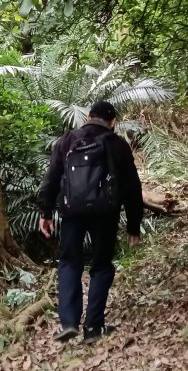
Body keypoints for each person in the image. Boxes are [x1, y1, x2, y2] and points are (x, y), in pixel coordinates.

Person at [37, 100, 144, 343]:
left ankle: (68, 322)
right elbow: (132, 187)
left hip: (72, 212)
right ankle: (93, 327)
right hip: (105, 214)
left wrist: (45, 213)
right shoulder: (117, 145)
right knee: (102, 266)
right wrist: (133, 226)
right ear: (113, 122)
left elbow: (52, 178)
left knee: (69, 263)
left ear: (88, 117)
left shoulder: (67, 140)